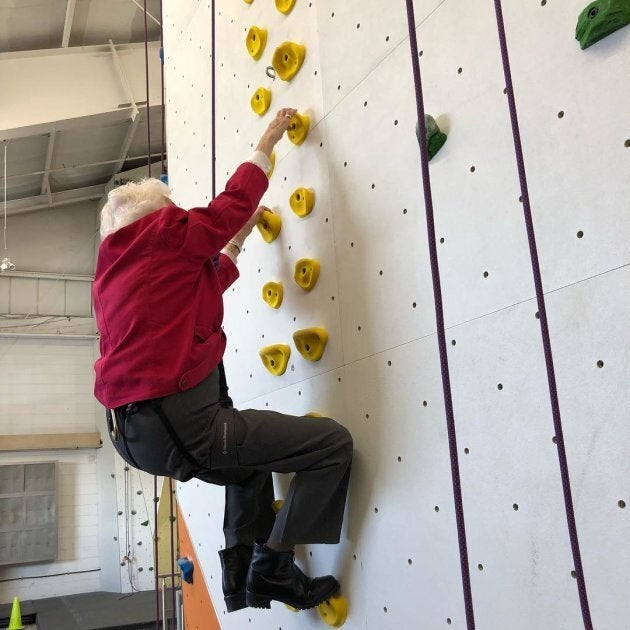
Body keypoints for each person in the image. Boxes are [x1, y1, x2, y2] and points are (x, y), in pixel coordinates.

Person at [93, 108, 353, 613]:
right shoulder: (164, 233)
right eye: (174, 209)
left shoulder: (118, 275)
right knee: (333, 445)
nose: (181, 216)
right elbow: (230, 206)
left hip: (133, 437)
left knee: (247, 468)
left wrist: (240, 239)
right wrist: (269, 137)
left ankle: (238, 575)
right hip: (183, 428)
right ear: (159, 215)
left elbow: (206, 282)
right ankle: (272, 567)